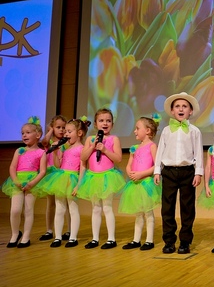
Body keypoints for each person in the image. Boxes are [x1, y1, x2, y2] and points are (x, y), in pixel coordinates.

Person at [154, 92, 203, 255]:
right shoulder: (167, 131)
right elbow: (160, 151)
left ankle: (185, 241)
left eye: (184, 106)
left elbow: (198, 154)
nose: (181, 109)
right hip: (168, 171)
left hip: (188, 171)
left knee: (187, 208)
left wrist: (198, 173)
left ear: (190, 111)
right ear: (172, 111)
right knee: (167, 208)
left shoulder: (195, 131)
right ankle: (169, 241)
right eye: (177, 106)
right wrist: (157, 171)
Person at [79, 108, 125, 249]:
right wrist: (93, 146)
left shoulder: (113, 139)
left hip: (107, 176)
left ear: (112, 123)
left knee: (107, 207)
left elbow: (118, 158)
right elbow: (83, 157)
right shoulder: (89, 139)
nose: (105, 123)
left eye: (108, 121)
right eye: (101, 121)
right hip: (93, 177)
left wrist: (105, 149)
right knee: (96, 208)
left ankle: (111, 239)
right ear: (95, 124)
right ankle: (95, 238)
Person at [41, 117, 90, 247]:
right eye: (66, 132)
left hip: (73, 179)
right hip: (61, 178)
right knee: (59, 208)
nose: (66, 134)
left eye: (69, 131)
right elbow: (58, 165)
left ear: (79, 133)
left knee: (73, 209)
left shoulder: (82, 149)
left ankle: (73, 237)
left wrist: (79, 185)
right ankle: (57, 237)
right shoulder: (65, 148)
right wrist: (56, 151)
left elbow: (83, 167)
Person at [2, 116, 47, 248]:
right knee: (15, 210)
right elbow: (12, 167)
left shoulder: (41, 152)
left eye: (28, 132)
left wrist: (32, 183)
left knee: (28, 210)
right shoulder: (19, 151)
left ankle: (26, 237)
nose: (24, 135)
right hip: (18, 182)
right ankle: (15, 234)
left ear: (38, 135)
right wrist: (15, 180)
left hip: (32, 182)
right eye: (22, 133)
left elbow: (43, 171)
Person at [119, 115, 162, 251]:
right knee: (138, 213)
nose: (135, 131)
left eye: (137, 128)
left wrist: (141, 174)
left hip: (146, 183)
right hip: (135, 184)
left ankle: (149, 240)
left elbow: (156, 165)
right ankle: (136, 239)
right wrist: (129, 172)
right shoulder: (134, 148)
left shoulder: (152, 146)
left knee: (148, 212)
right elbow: (129, 164)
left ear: (148, 131)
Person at [40, 115, 70, 241]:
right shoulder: (50, 142)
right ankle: (49, 230)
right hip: (51, 174)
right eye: (58, 127)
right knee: (51, 203)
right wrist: (50, 130)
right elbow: (44, 142)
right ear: (52, 128)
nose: (62, 130)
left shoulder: (67, 142)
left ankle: (69, 230)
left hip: (63, 174)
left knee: (67, 203)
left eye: (64, 127)